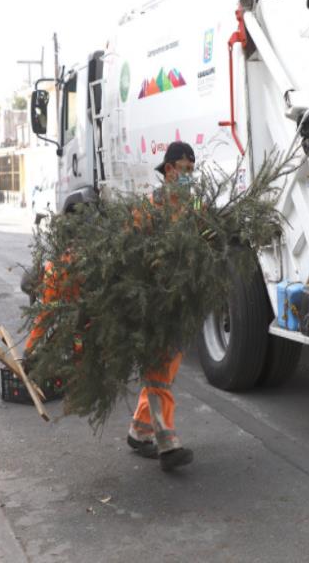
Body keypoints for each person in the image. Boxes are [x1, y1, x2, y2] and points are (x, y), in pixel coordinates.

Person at [127, 141, 196, 472]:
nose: (189, 177)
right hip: (155, 299)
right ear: (169, 170)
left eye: (192, 172)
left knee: (166, 369)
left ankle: (139, 432)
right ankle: (166, 440)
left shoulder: (191, 205)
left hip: (180, 298)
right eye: (185, 170)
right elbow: (135, 249)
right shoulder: (151, 206)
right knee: (158, 368)